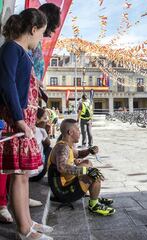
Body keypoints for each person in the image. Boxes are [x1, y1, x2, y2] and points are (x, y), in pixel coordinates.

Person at [0, 8, 54, 239]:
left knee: (21, 174)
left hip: (23, 120)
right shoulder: (12, 48)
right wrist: (20, 120)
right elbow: (8, 84)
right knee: (18, 173)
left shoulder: (21, 52)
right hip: (16, 120)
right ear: (32, 30)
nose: (41, 38)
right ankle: (24, 229)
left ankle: (28, 222)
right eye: (41, 33)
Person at [47, 119, 115, 216]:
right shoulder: (62, 147)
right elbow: (61, 167)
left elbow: (78, 154)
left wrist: (89, 150)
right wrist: (86, 171)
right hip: (62, 192)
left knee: (87, 163)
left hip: (66, 185)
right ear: (70, 132)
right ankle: (94, 205)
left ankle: (93, 195)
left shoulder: (67, 145)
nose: (80, 132)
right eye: (78, 129)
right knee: (94, 175)